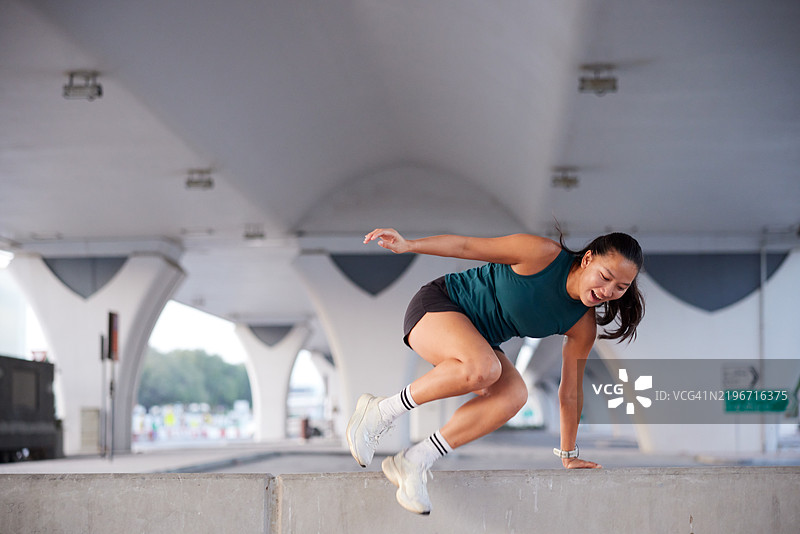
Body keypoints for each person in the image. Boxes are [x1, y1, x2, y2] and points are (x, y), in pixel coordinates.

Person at [346, 227, 645, 515]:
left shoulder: (582, 324)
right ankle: (381, 410)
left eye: (620, 287)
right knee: (485, 368)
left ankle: (415, 460)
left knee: (514, 395)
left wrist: (569, 455)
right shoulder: (542, 254)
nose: (607, 291)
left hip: (480, 343)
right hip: (439, 305)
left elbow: (570, 392)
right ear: (589, 258)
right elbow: (466, 246)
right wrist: (409, 244)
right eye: (605, 277)